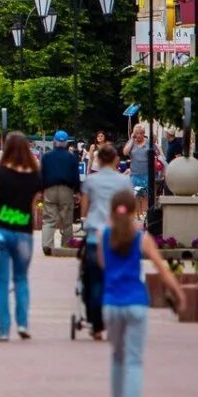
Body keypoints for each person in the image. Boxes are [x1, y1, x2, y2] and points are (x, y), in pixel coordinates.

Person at [99, 189, 184, 397]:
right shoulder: (141, 239)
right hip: (136, 302)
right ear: (133, 209)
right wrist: (178, 293)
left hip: (112, 303)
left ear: (112, 210)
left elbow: (104, 266)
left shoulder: (104, 236)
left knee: (117, 358)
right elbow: (162, 268)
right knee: (134, 361)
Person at [0, 132, 44, 341]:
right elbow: (34, 205)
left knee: (1, 281)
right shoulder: (35, 176)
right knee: (21, 279)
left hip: (0, 231)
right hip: (23, 233)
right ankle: (23, 323)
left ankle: (4, 329)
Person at [79, 143, 133, 340]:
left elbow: (84, 210)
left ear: (99, 160)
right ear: (116, 160)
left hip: (95, 236)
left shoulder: (91, 182)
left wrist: (86, 219)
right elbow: (129, 209)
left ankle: (97, 324)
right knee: (117, 278)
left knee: (94, 281)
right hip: (117, 236)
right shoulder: (124, 182)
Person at [40, 130, 81, 256]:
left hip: (49, 189)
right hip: (66, 190)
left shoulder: (46, 156)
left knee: (48, 219)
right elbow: (76, 176)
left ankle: (47, 244)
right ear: (66, 143)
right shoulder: (71, 157)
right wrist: (77, 192)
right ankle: (66, 245)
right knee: (67, 220)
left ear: (54, 141)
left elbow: (42, 174)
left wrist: (41, 191)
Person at [123, 124, 159, 219]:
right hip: (135, 173)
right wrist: (131, 139)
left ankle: (144, 213)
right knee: (135, 195)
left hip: (147, 173)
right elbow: (125, 152)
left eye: (140, 133)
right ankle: (136, 214)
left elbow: (156, 154)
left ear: (144, 133)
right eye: (136, 133)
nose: (138, 135)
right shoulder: (132, 143)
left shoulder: (148, 143)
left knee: (145, 195)